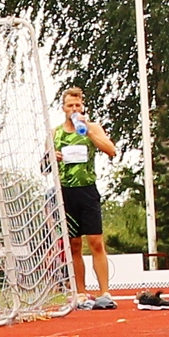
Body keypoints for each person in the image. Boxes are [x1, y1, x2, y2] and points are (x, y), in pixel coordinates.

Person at [52, 86, 117, 309]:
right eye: (70, 105)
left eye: (78, 105)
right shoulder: (56, 133)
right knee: (74, 244)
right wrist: (54, 158)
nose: (74, 108)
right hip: (66, 192)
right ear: (63, 108)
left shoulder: (92, 127)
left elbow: (111, 150)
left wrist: (87, 131)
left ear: (83, 106)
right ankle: (80, 292)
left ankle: (105, 292)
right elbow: (44, 165)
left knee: (96, 242)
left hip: (87, 189)